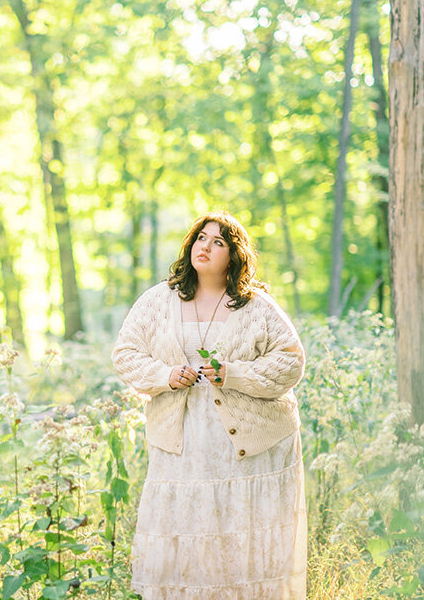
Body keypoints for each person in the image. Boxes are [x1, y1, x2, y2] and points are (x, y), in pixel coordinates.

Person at [111, 211, 306, 599]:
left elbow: (291, 360)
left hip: (248, 450)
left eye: (219, 242)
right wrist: (165, 375)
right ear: (190, 245)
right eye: (202, 238)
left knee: (240, 530)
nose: (207, 246)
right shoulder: (158, 300)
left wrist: (232, 374)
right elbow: (126, 353)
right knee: (186, 527)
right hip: (183, 443)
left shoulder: (256, 306)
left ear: (234, 257)